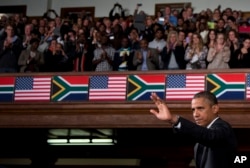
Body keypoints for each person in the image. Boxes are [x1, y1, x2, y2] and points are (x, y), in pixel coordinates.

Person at [150, 91, 237, 168]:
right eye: (193, 110)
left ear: (214, 109)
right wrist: (172, 121)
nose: (195, 114)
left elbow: (209, 136)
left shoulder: (223, 127)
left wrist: (174, 119)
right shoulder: (200, 132)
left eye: (200, 108)